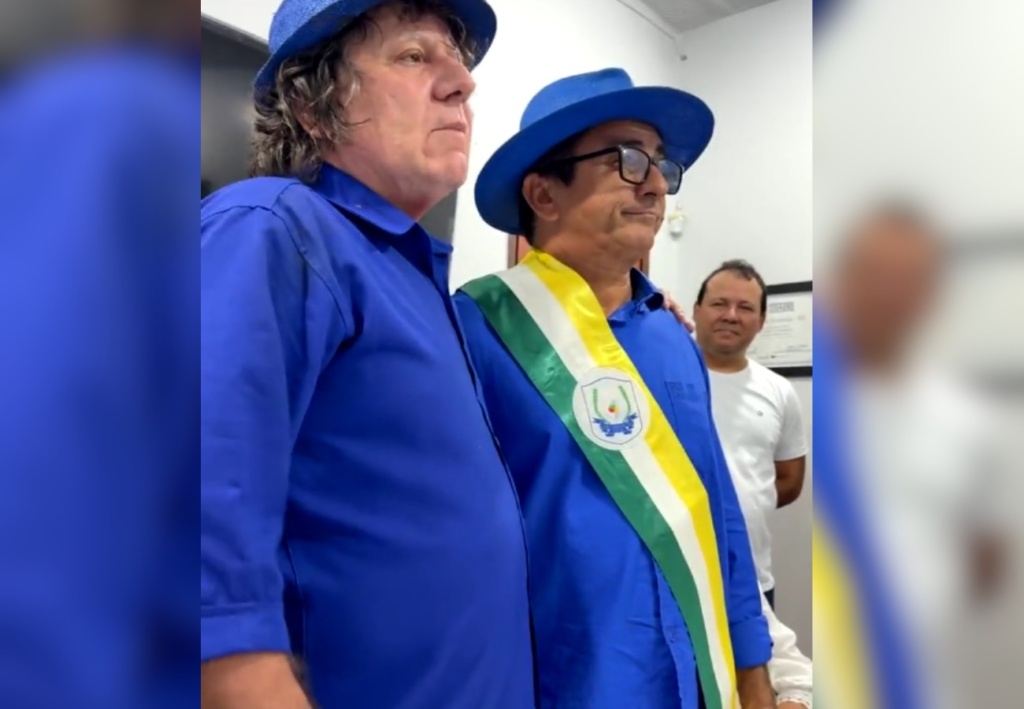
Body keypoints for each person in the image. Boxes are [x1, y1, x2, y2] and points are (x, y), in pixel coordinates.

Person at [199, 2, 536, 708]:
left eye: (458, 62)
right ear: (312, 105)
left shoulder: (417, 279)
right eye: (413, 56)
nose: (463, 83)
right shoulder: (275, 227)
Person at [454, 68, 775, 709]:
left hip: (694, 677)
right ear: (544, 194)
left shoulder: (674, 339)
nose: (656, 185)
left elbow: (716, 511)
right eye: (627, 160)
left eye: (660, 165)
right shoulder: (474, 331)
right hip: (561, 682)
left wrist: (754, 671)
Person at [692, 260, 808, 609]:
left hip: (751, 579)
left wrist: (745, 505)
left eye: (745, 308)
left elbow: (790, 480)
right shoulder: (657, 374)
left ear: (761, 321)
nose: (731, 315)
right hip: (674, 574)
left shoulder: (779, 391)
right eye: (719, 303)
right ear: (697, 311)